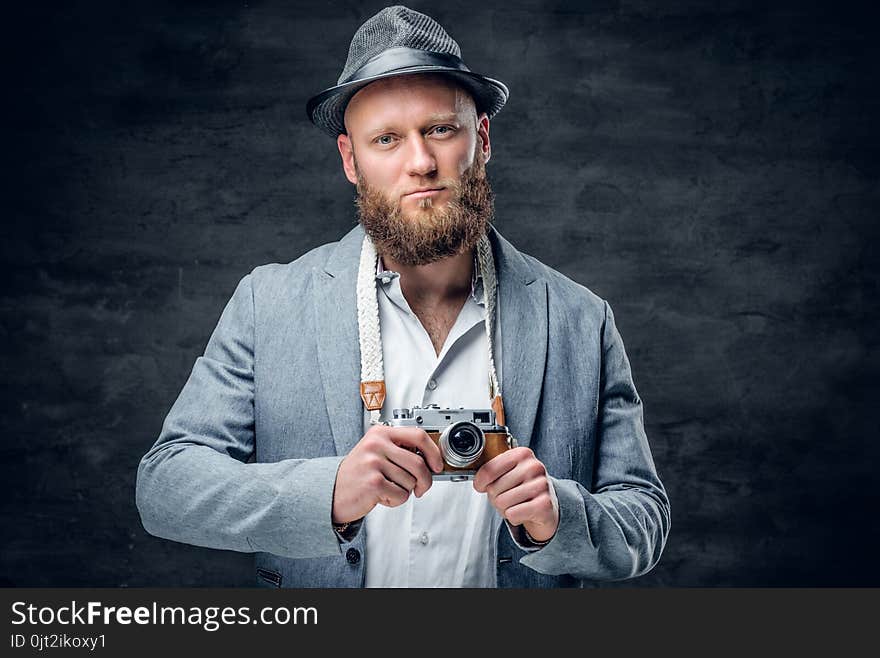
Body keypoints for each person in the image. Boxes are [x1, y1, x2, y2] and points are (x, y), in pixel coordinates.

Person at [136, 5, 670, 588]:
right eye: (387, 139)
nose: (420, 162)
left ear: (482, 138)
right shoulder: (270, 304)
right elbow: (166, 487)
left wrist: (556, 518)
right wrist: (330, 493)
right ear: (350, 160)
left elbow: (643, 518)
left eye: (440, 129)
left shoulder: (579, 318)